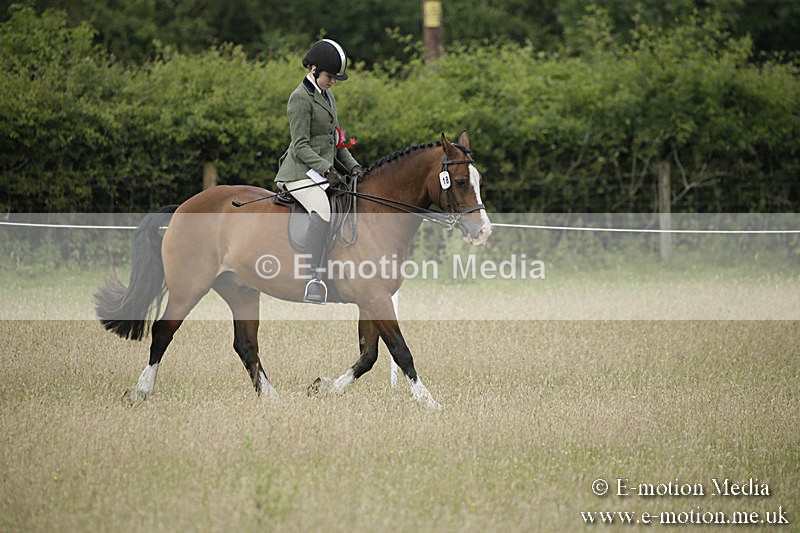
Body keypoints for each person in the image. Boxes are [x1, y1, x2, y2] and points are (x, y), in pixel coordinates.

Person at [275, 38, 363, 304]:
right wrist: (327, 170)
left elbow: (336, 141)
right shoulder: (299, 99)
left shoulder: (327, 96)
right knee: (323, 210)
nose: (333, 81)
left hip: (320, 173)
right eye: (329, 76)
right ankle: (313, 277)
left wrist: (354, 166)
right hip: (299, 174)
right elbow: (300, 146)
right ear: (313, 69)